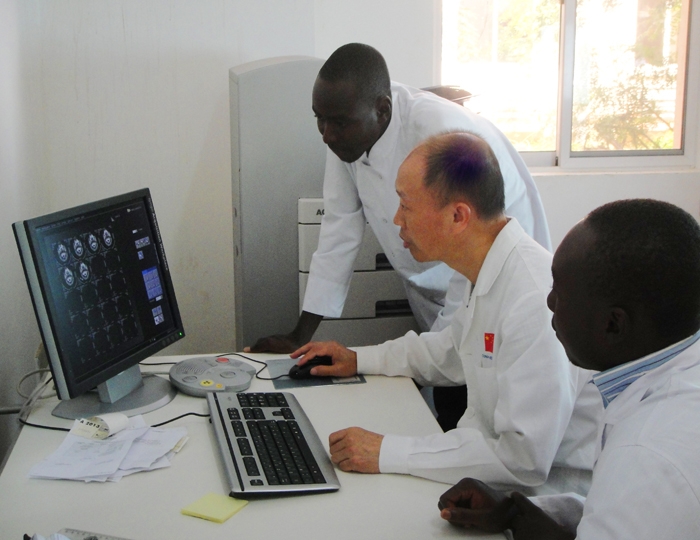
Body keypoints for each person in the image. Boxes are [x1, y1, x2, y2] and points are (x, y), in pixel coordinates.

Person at [292, 132, 601, 492]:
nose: (396, 219)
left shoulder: (533, 301)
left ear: (458, 216)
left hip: (539, 502)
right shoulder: (482, 267)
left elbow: (523, 460)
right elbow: (453, 349)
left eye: (405, 205)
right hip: (487, 477)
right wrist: (358, 359)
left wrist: (386, 451)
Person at [246, 42, 551, 354]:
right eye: (319, 119)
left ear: (382, 110)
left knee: (475, 361)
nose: (326, 135)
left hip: (487, 276)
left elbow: (470, 239)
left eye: (338, 123)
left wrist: (437, 348)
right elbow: (339, 229)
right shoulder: (347, 133)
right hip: (431, 284)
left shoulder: (441, 133)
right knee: (439, 365)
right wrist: (299, 335)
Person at [437, 199, 700, 539]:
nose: (548, 303)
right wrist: (516, 512)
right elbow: (618, 512)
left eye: (560, 294)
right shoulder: (669, 376)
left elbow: (630, 501)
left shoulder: (646, 454)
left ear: (612, 325)